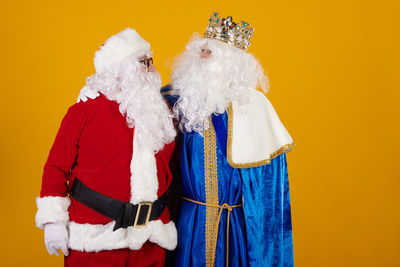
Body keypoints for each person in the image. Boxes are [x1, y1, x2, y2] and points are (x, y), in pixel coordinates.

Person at [35, 28, 177, 267]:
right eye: (142, 62)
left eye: (150, 60)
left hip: (150, 241)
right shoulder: (84, 110)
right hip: (96, 241)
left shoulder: (162, 111)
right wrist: (53, 222)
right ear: (120, 69)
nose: (151, 68)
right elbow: (56, 167)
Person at [162, 13, 295, 266]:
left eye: (209, 53)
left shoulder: (254, 107)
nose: (201, 56)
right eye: (200, 50)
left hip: (235, 226)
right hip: (188, 221)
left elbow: (269, 189)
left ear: (231, 64)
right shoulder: (177, 101)